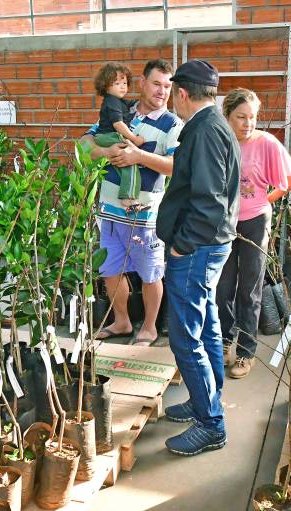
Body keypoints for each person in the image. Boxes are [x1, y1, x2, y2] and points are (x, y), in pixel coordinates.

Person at [156, 59, 241, 456]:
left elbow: (209, 201)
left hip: (197, 248)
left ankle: (211, 424)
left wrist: (181, 245)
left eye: (173, 92)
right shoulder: (214, 126)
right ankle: (205, 399)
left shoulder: (205, 131)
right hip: (209, 245)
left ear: (182, 93)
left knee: (185, 335)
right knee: (206, 326)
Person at [80, 59, 182, 346]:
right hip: (109, 211)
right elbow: (84, 144)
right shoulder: (119, 109)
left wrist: (140, 157)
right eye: (156, 84)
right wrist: (104, 150)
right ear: (142, 82)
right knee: (110, 270)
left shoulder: (173, 124)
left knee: (150, 273)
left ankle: (149, 327)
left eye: (167, 86)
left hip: (145, 215)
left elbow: (177, 166)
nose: (162, 91)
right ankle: (122, 322)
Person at [217, 88, 291, 379]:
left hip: (255, 221)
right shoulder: (221, 141)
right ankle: (225, 342)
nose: (247, 123)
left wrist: (265, 200)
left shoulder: (267, 143)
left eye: (252, 117)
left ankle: (246, 352)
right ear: (227, 116)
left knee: (249, 289)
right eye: (240, 117)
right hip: (224, 222)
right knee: (223, 286)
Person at [92, 62, 145, 207]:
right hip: (109, 135)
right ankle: (128, 198)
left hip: (104, 136)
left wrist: (142, 102)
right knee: (130, 160)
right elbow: (118, 124)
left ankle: (127, 195)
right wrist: (134, 139)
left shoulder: (116, 101)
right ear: (106, 85)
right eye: (117, 83)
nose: (123, 86)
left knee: (124, 164)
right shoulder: (112, 102)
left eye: (125, 82)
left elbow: (128, 105)